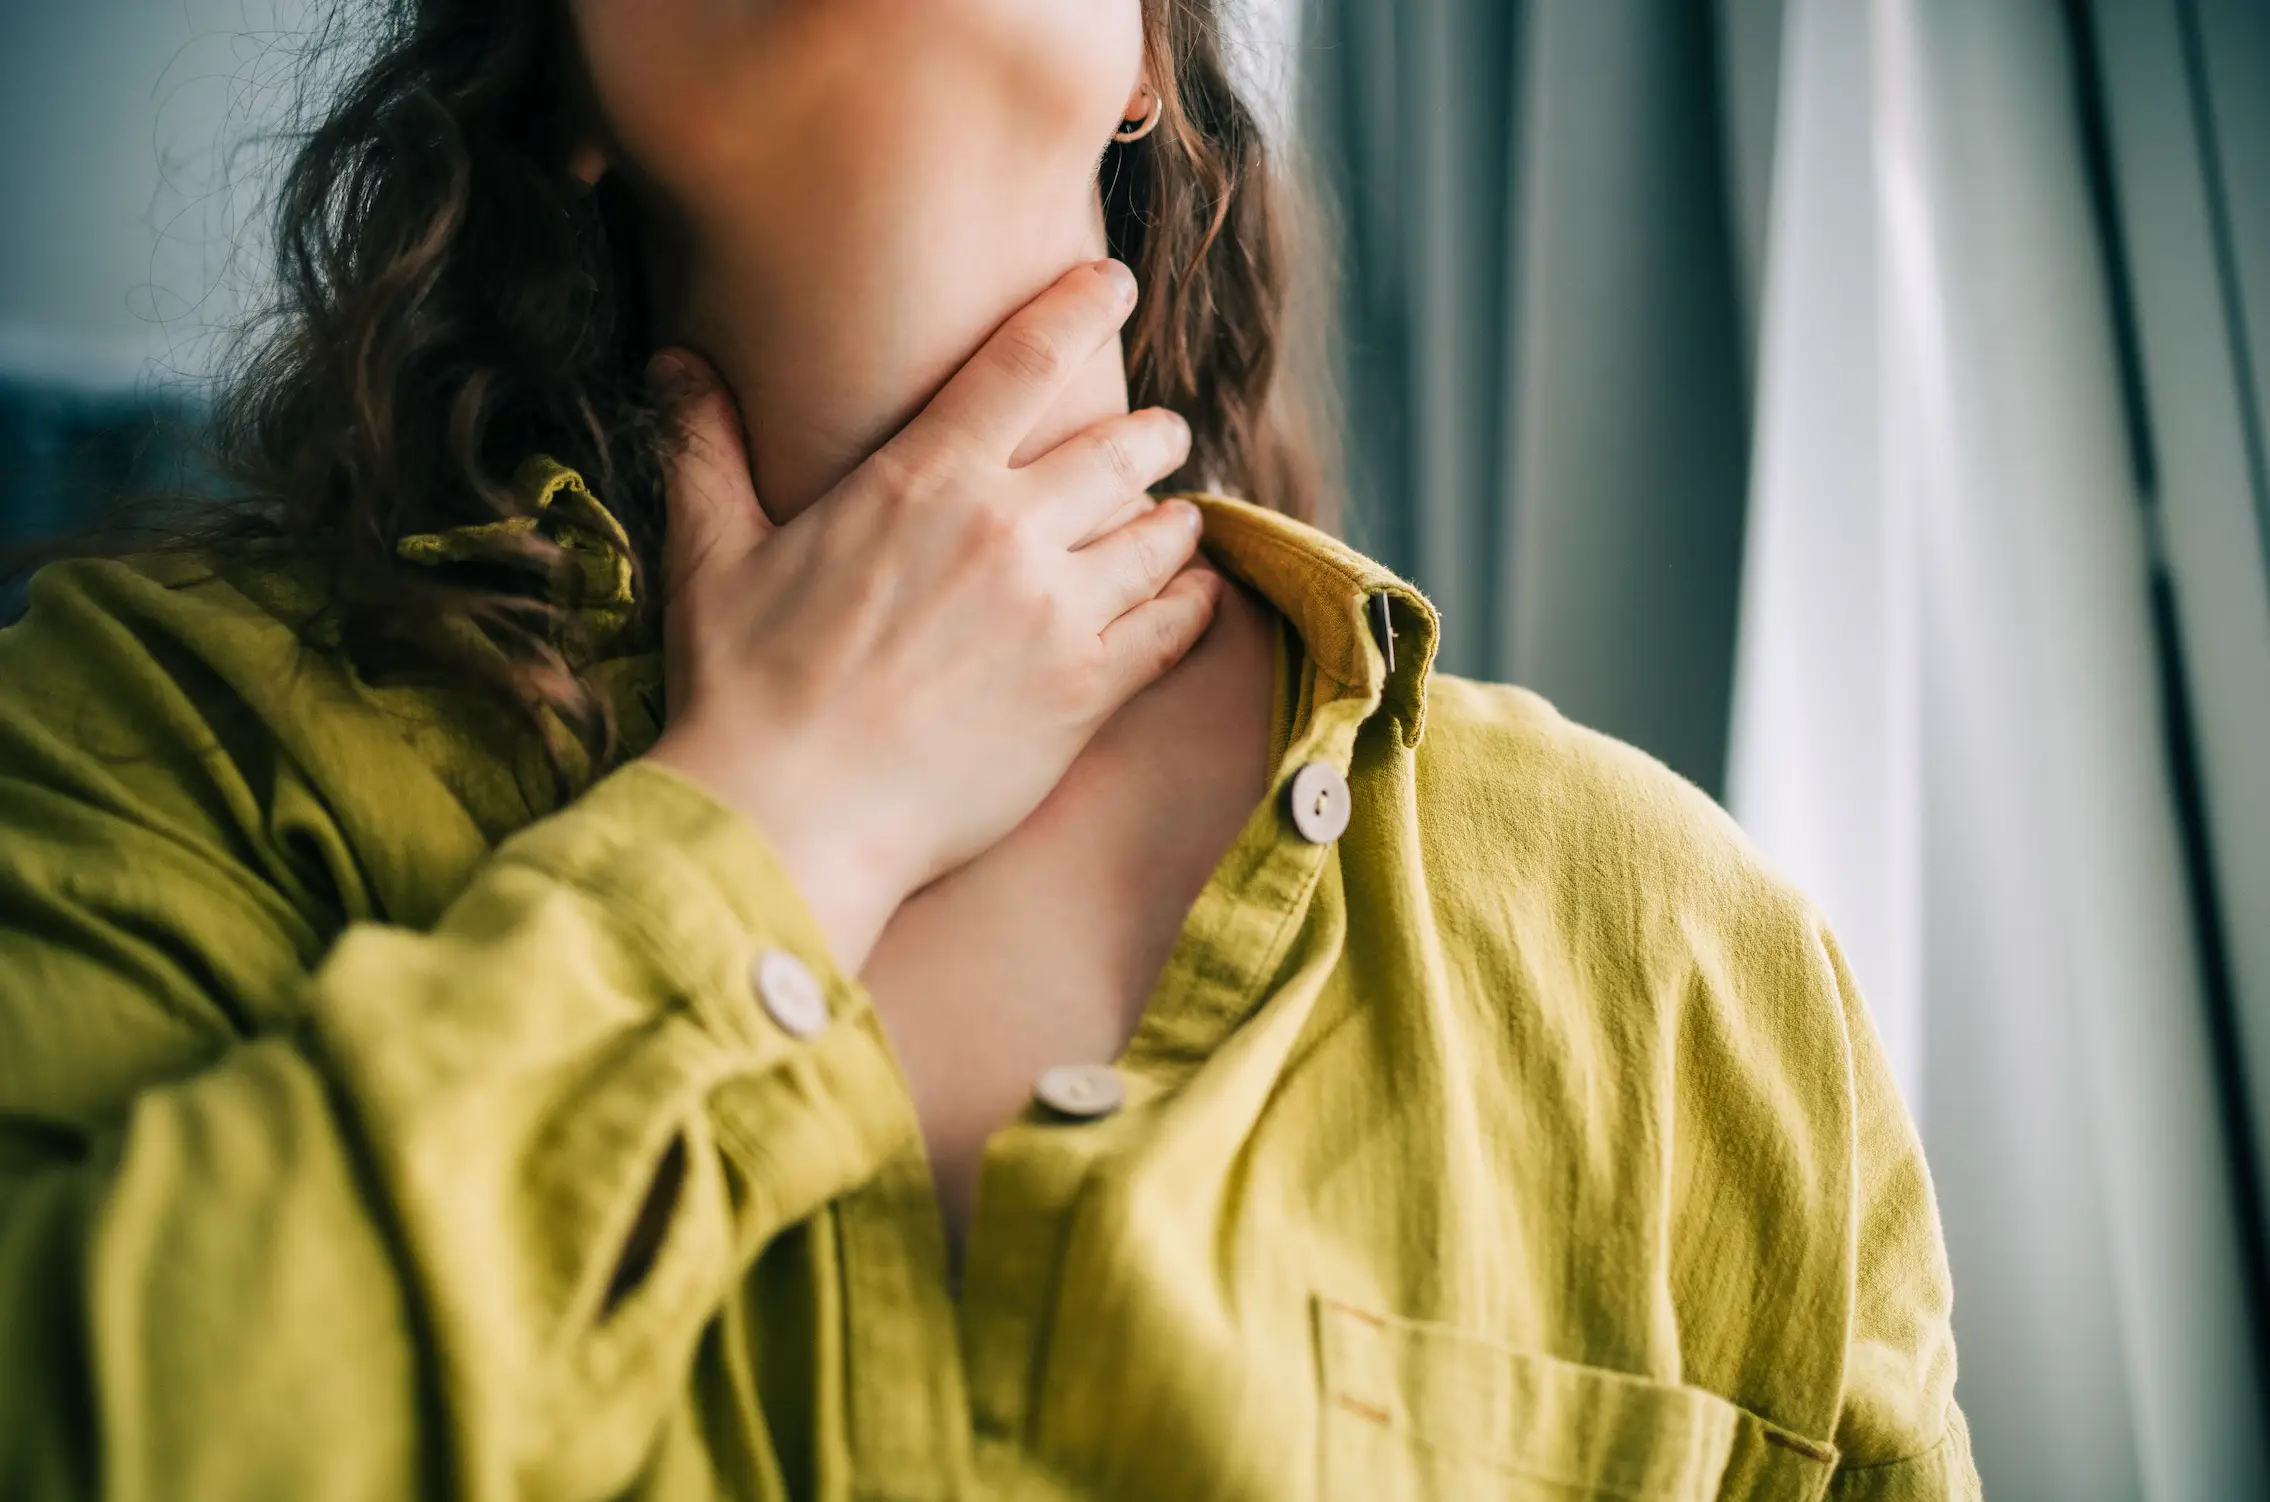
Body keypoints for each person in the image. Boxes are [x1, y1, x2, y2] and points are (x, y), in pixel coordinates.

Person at [0, 0, 1981, 1497]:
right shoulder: (154, 734)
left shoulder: (1686, 952)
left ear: (1145, 54)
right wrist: (780, 815)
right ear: (561, 93)